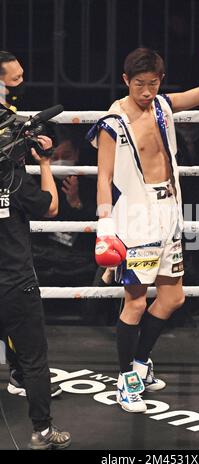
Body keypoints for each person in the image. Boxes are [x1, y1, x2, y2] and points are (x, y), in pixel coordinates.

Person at [88, 44, 199, 412]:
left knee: (174, 298)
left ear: (160, 80)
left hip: (169, 210)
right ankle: (126, 381)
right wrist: (104, 226)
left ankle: (140, 363)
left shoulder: (163, 105)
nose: (146, 91)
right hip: (136, 220)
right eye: (139, 84)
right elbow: (104, 177)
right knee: (136, 302)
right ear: (126, 81)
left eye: (152, 83)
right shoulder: (114, 122)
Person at [0, 50, 62, 398]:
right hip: (13, 252)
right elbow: (51, 206)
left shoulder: (12, 116)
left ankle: (19, 374)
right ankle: (28, 384)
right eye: (15, 78)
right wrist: (45, 163)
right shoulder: (17, 179)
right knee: (20, 314)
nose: (21, 82)